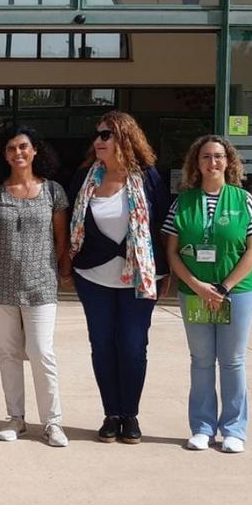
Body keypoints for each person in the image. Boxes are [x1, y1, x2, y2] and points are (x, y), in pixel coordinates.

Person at [67, 110, 170, 445]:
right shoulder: (86, 177)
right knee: (102, 345)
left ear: (124, 138)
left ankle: (130, 414)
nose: (98, 141)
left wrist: (163, 271)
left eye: (106, 135)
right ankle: (111, 413)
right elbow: (71, 220)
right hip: (93, 276)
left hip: (137, 278)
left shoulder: (148, 177)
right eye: (97, 135)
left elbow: (160, 227)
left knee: (133, 346)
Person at [163, 135, 252, 454]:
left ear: (228, 161)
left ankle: (234, 429)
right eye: (206, 156)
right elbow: (172, 252)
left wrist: (224, 288)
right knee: (202, 361)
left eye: (219, 156)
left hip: (237, 294)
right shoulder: (183, 202)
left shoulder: (243, 199)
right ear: (197, 163)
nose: (213, 162)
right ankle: (202, 427)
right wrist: (197, 285)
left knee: (233, 361)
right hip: (194, 293)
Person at [0, 125, 70, 448]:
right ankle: (15, 418)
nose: (17, 153)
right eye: (11, 149)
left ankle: (52, 422)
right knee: (8, 353)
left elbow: (60, 238)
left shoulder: (53, 191)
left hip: (40, 284)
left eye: (23, 147)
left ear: (34, 151)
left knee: (42, 352)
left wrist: (59, 269)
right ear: (5, 155)